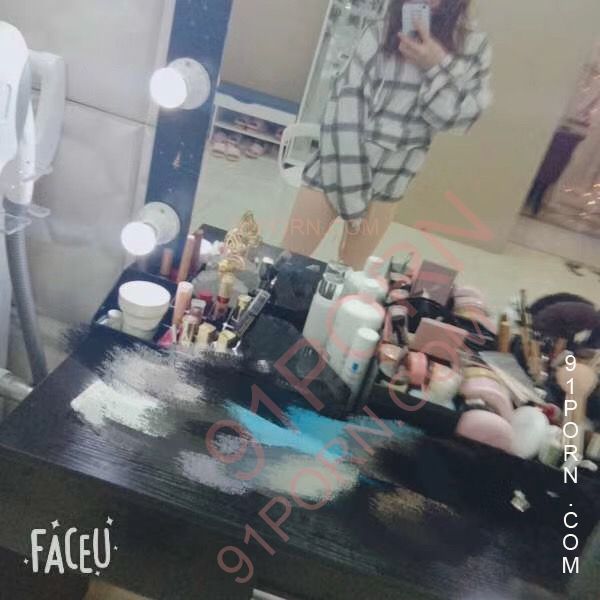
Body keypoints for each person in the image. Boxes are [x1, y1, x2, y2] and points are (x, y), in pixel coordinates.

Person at [282, 0, 492, 269]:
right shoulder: (380, 32)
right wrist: (354, 197)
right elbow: (344, 110)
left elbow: (455, 121)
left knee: (349, 276)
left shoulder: (473, 46)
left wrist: (437, 66)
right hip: (336, 165)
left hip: (391, 181)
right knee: (286, 264)